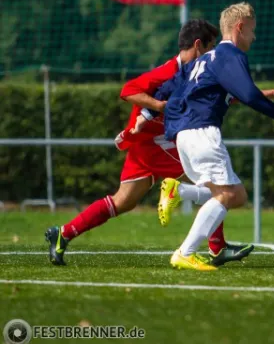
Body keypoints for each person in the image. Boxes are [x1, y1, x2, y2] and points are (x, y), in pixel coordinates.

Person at [45, 19, 252, 267]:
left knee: (123, 201)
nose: (213, 54)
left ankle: (63, 233)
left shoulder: (196, 71)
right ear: (198, 46)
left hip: (150, 146)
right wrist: (158, 106)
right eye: (210, 48)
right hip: (155, 144)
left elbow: (218, 95)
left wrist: (260, 95)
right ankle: (214, 247)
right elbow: (128, 90)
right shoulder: (170, 71)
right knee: (217, 185)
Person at [145, 2, 274, 271]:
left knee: (222, 192)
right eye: (252, 31)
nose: (254, 37)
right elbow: (249, 95)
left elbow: (170, 88)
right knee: (234, 195)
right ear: (240, 28)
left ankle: (179, 191)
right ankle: (186, 251)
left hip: (183, 135)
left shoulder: (203, 59)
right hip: (202, 132)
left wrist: (146, 116)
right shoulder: (230, 55)